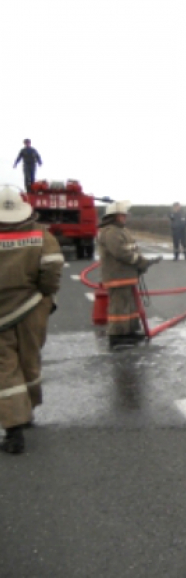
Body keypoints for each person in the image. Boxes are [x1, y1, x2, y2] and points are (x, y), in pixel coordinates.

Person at [0, 185, 63, 454]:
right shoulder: (42, 235)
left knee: (5, 367)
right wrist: (45, 295)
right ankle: (28, 411)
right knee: (30, 358)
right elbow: (52, 269)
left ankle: (13, 429)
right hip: (32, 307)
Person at [97, 200, 160, 349]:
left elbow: (131, 250)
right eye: (123, 215)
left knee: (130, 307)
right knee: (119, 308)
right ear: (115, 216)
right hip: (117, 277)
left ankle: (129, 332)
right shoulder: (111, 232)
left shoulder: (121, 231)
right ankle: (116, 336)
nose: (125, 217)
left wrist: (141, 263)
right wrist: (140, 262)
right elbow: (122, 253)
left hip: (126, 276)